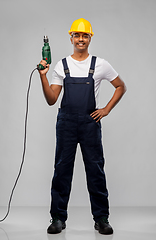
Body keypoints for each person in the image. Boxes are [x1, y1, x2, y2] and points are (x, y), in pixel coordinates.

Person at [38, 18, 126, 235]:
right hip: (66, 123)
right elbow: (51, 99)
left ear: (90, 38)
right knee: (62, 170)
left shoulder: (100, 64)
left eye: (84, 35)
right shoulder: (62, 65)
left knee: (95, 170)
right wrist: (43, 77)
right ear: (71, 38)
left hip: (89, 123)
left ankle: (101, 218)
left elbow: (120, 86)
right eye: (76, 35)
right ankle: (58, 218)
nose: (80, 39)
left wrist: (106, 109)